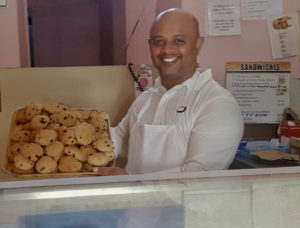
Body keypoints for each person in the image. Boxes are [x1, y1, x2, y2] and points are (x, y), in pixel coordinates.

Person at [95, 8, 244, 175]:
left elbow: (200, 175)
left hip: (184, 202)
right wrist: (74, 127)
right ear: (150, 45)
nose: (167, 50)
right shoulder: (145, 99)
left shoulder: (217, 104)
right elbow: (117, 141)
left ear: (198, 44)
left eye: (179, 41)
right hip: (133, 200)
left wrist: (129, 181)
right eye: (158, 41)